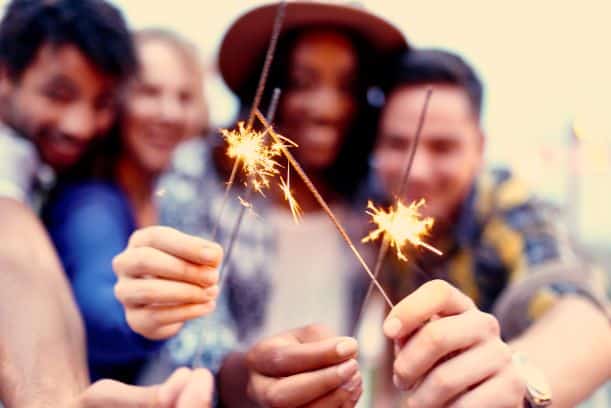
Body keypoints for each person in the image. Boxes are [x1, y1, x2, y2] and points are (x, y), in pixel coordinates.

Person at [112, 1, 407, 406]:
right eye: (303, 82)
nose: (327, 107)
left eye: (347, 87)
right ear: (267, 88)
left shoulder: (373, 197)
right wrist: (253, 380)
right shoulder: (202, 173)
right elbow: (191, 330)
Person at [0, 1, 214, 406]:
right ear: (5, 75)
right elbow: (16, 250)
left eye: (101, 103)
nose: (80, 125)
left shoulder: (187, 191)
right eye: (58, 94)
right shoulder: (75, 193)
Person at [372, 49, 611, 407]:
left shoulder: (510, 205)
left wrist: (518, 380)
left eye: (443, 147)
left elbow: (586, 320)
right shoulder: (378, 207)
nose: (416, 170)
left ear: (480, 148)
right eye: (396, 144)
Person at [43, 28, 219, 384]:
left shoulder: (181, 200)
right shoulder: (92, 203)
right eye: (149, 92)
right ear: (115, 102)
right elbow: (96, 312)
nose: (169, 113)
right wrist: (141, 319)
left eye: (184, 97)